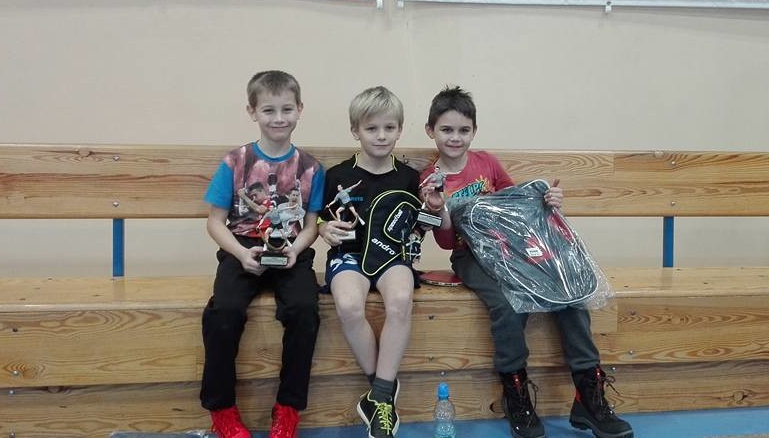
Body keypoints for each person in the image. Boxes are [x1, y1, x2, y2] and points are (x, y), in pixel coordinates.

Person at [422, 86, 634, 438]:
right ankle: (515, 394)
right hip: (468, 254)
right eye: (446, 130)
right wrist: (438, 208)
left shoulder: (486, 163)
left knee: (569, 291)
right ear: (431, 131)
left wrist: (549, 199)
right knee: (508, 304)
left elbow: (517, 204)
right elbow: (445, 241)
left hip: (510, 249)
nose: (455, 138)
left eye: (463, 130)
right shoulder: (430, 178)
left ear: (474, 131)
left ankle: (589, 394)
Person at [201, 70, 325, 438]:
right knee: (224, 312)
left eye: (287, 109)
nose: (278, 118)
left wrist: (295, 250)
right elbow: (215, 222)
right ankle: (222, 409)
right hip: (242, 249)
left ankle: (288, 408)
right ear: (252, 111)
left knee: (305, 310)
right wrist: (240, 254)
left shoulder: (311, 168)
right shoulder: (235, 162)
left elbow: (311, 225)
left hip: (290, 251)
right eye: (269, 110)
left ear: (300, 109)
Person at [318, 86, 445, 438]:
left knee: (402, 299)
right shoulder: (336, 176)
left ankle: (379, 397)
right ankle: (383, 393)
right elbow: (319, 220)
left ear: (400, 129)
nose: (381, 135)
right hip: (349, 256)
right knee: (348, 304)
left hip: (392, 258)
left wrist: (433, 209)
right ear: (355, 130)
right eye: (371, 128)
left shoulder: (410, 178)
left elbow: (418, 227)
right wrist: (325, 229)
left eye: (389, 128)